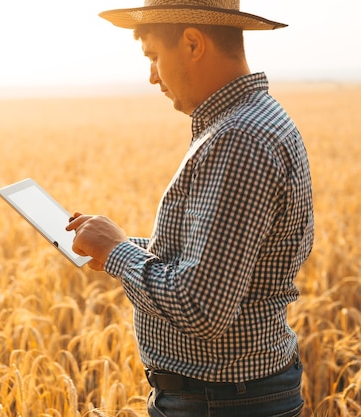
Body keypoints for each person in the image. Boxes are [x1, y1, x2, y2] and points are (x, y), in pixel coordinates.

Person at [65, 1, 314, 416]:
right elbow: (215, 262)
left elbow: (201, 307)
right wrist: (120, 245)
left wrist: (117, 253)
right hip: (229, 396)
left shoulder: (239, 139)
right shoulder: (250, 121)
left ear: (193, 43)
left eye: (153, 57)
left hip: (221, 402)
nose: (151, 76)